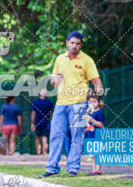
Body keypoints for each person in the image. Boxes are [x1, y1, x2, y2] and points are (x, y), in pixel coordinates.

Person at [39, 31, 103, 178]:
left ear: (81, 45)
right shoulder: (60, 59)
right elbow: (54, 82)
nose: (74, 46)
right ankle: (52, 168)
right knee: (55, 136)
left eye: (77, 43)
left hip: (79, 104)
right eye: (72, 43)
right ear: (67, 43)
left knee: (77, 136)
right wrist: (55, 80)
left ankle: (73, 168)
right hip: (61, 104)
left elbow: (97, 82)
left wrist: (96, 102)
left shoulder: (87, 60)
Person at [83, 92, 105, 176]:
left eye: (94, 101)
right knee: (92, 155)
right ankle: (93, 169)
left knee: (97, 153)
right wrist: (86, 114)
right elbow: (85, 120)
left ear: (99, 102)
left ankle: (98, 169)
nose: (91, 103)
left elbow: (101, 124)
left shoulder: (99, 112)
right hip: (90, 136)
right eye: (90, 102)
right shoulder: (90, 112)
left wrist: (92, 120)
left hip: (97, 136)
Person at [31, 90, 54, 155]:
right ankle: (44, 153)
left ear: (40, 94)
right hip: (46, 123)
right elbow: (52, 114)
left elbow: (33, 113)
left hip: (38, 122)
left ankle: (38, 152)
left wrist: (32, 123)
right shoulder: (49, 103)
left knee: (37, 137)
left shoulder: (36, 102)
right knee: (45, 138)